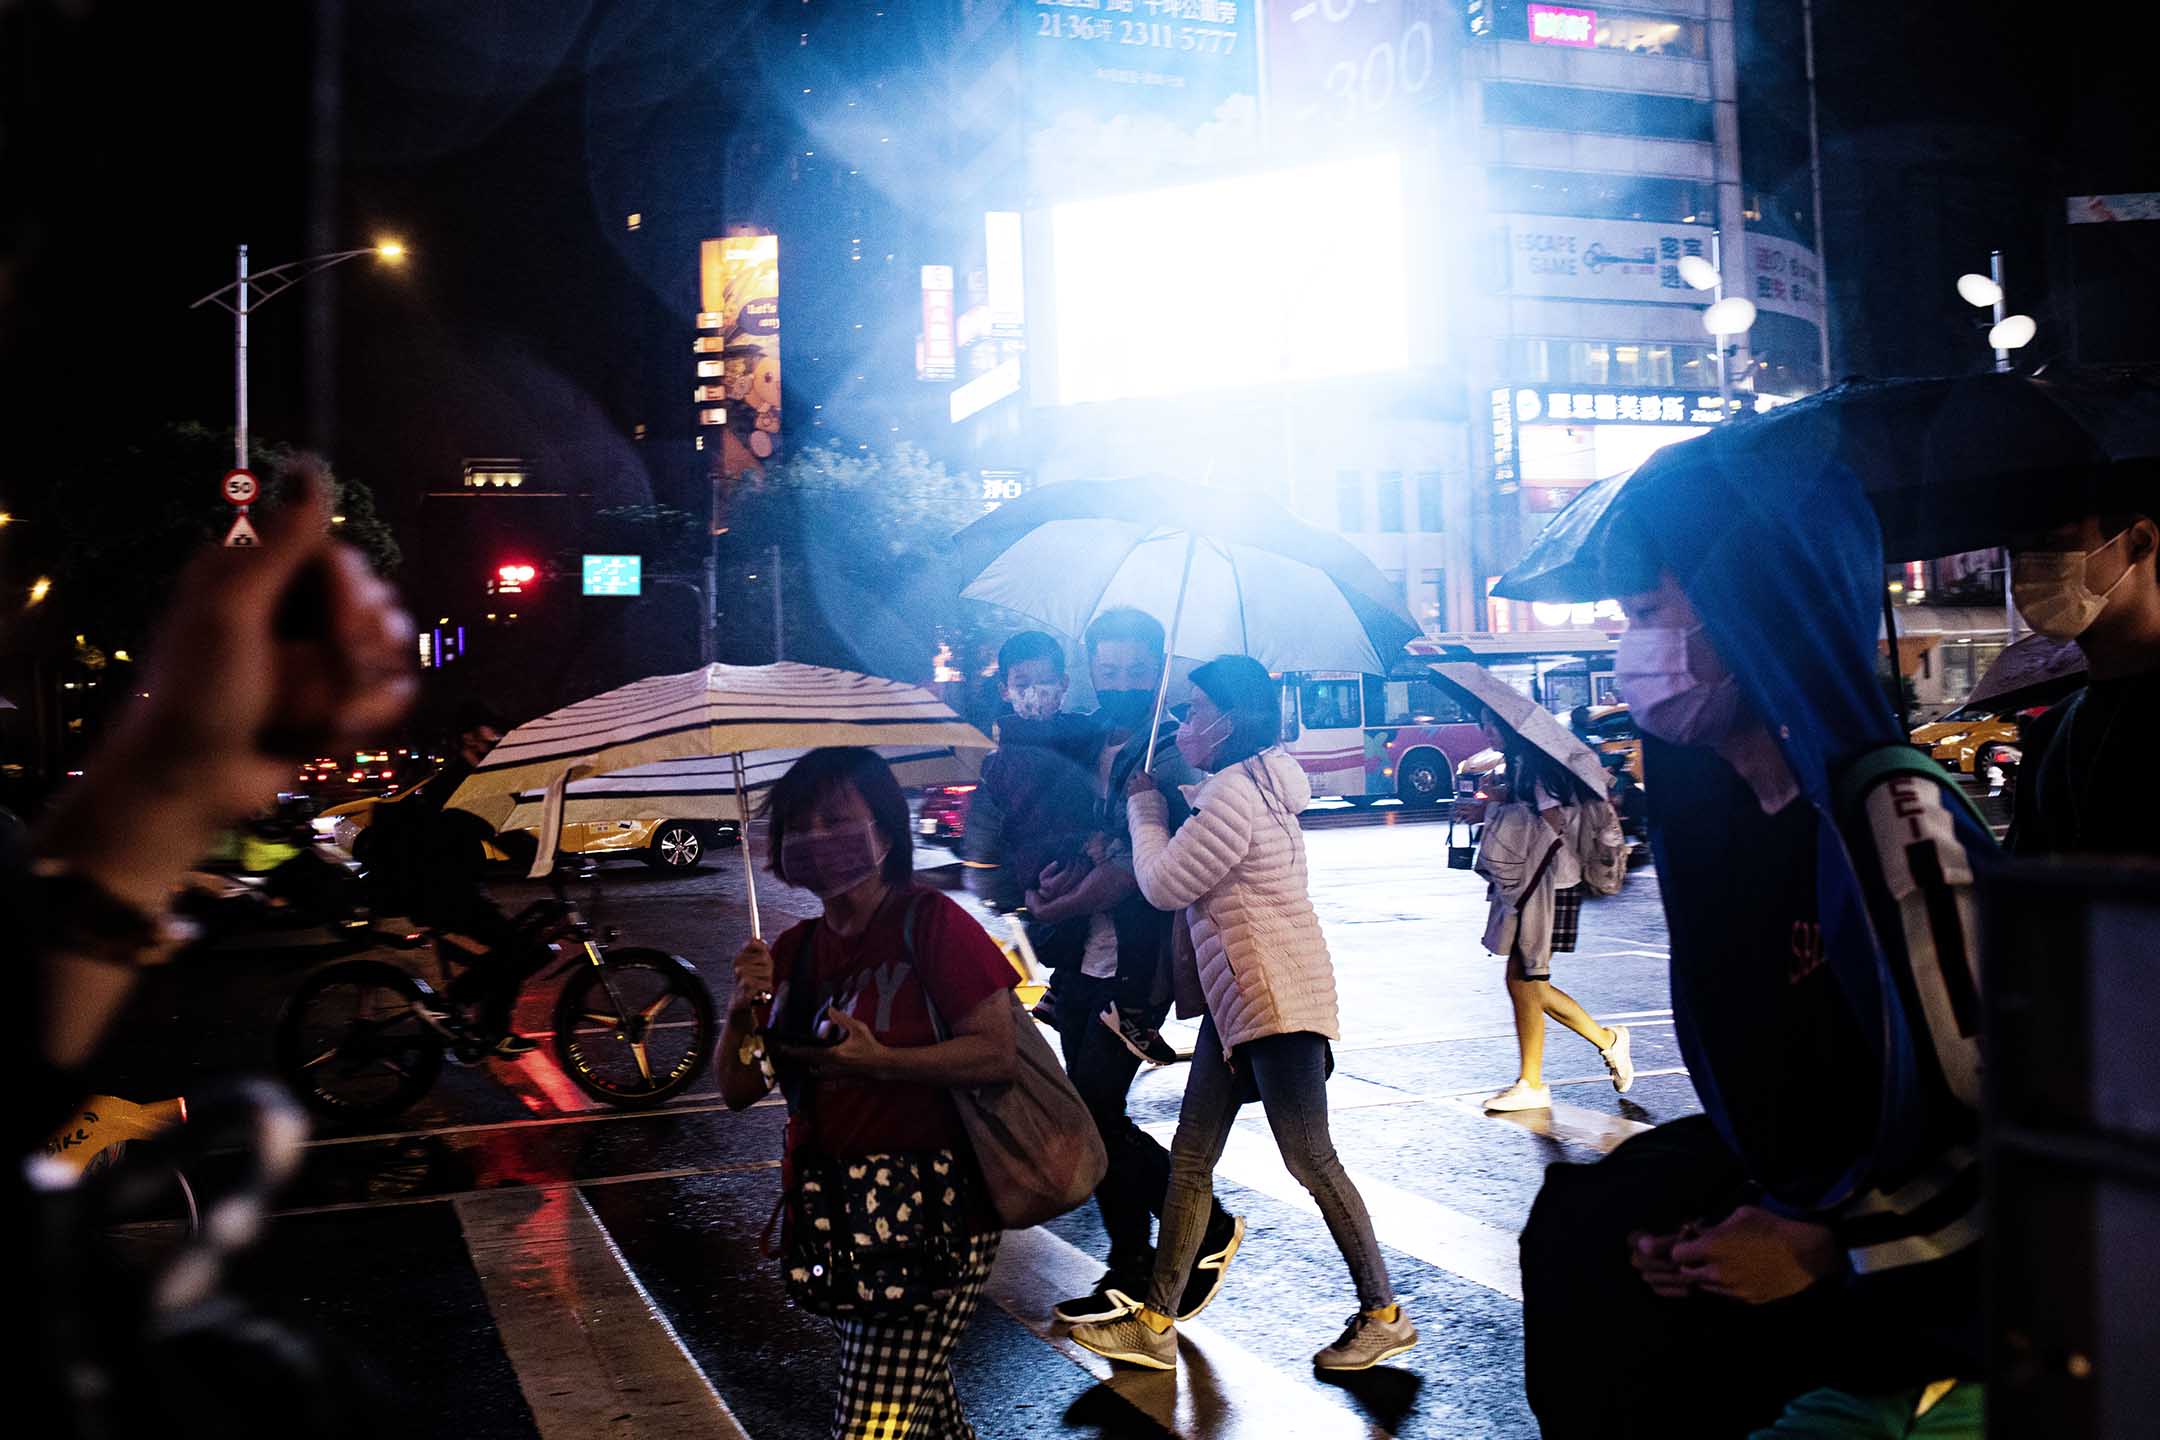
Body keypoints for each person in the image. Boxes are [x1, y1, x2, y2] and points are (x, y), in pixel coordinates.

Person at [1517, 457, 1993, 1438]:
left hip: (1930, 1329)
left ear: (1755, 614)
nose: (1632, 652)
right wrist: (1706, 1236)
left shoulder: (1890, 822)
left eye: (1652, 616)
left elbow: (2018, 1131)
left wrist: (1830, 1248)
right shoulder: (1729, 823)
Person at [1070, 656, 1416, 1373]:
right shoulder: (1248, 786)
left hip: (1276, 1004)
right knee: (1191, 1162)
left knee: (1311, 1159)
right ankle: (1157, 1323)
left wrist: (1144, 810)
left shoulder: (1235, 795)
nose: (1186, 723)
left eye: (1197, 711)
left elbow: (1165, 883)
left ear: (1232, 720)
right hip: (1240, 1005)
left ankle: (1383, 1313)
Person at [715, 748, 1017, 1440]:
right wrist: (740, 1007)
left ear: (884, 828)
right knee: (921, 1405)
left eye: (837, 819)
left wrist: (883, 1060)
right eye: (801, 826)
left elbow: (994, 1053)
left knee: (870, 1425)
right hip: (842, 1214)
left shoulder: (930, 924)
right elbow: (739, 1088)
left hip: (940, 1209)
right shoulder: (792, 952)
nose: (819, 839)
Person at [1024, 608, 1244, 1329]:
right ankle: (1128, 1265)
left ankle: (1204, 1226)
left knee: (1093, 1108)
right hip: (1080, 963)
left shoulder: (1175, 753)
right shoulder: (1082, 734)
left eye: (1136, 670)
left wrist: (1075, 891)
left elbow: (1144, 875)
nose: (1121, 683)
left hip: (1138, 969)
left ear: (1160, 669)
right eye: (1108, 670)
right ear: (1090, 667)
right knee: (1092, 1118)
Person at [1473, 705, 1634, 1113]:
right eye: (1482, 723)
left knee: (1528, 980)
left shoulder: (1538, 765)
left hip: (1548, 881)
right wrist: (1501, 798)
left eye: (1492, 723)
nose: (1486, 730)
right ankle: (1603, 1043)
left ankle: (1534, 1081)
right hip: (1538, 880)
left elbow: (1552, 822)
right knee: (1526, 982)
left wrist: (1496, 808)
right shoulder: (1526, 762)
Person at [2005, 499, 2160, 856]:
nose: (2027, 568)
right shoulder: (2050, 732)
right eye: (2016, 551)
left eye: (2048, 541)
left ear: (2139, 541)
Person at [962, 631, 1109, 977]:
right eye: (1022, 683)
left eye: (1045, 681)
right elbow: (986, 841)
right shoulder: (999, 760)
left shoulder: (1086, 735)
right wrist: (1027, 891)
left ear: (1063, 684)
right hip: (1043, 883)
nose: (1034, 693)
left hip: (1088, 872)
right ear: (1005, 689)